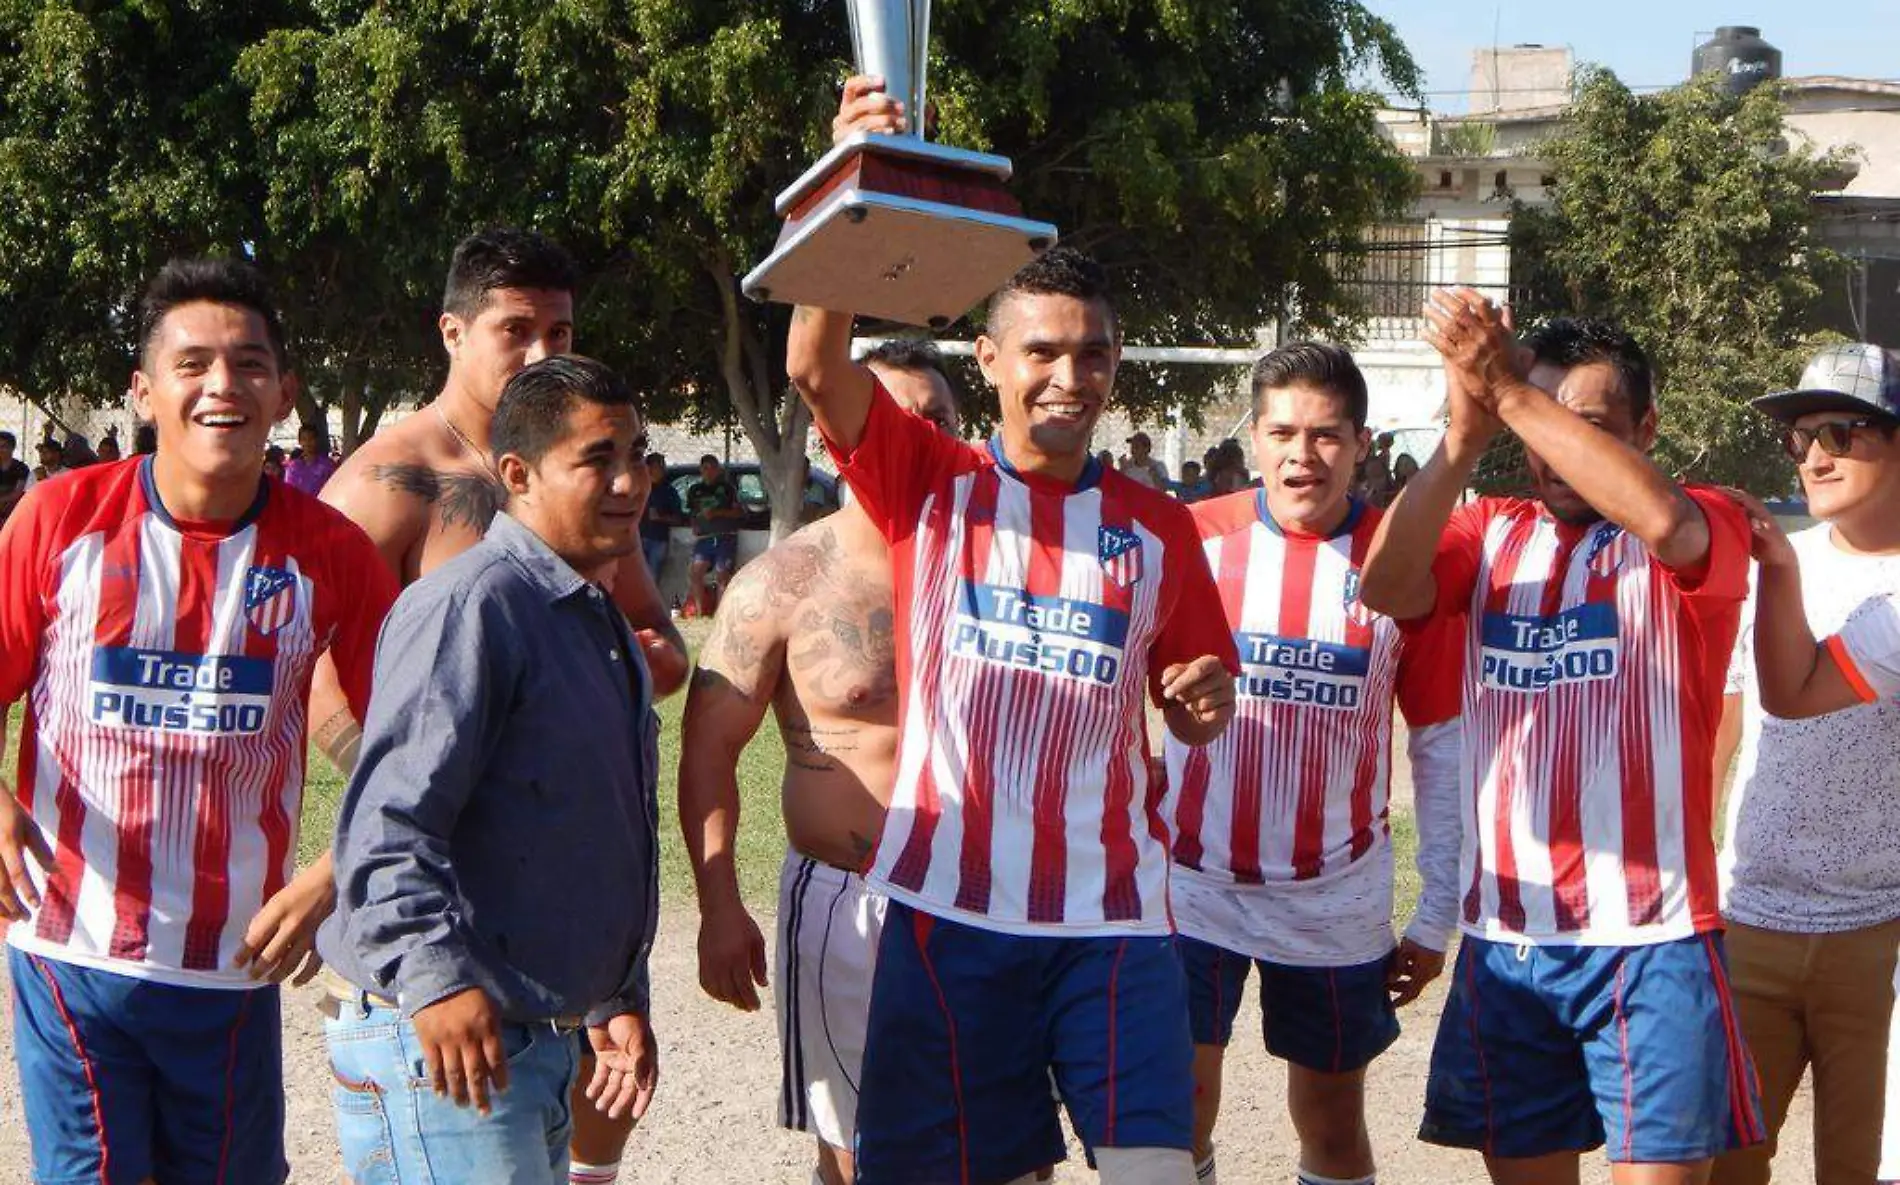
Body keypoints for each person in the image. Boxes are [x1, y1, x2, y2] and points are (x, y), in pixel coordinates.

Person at [782, 75, 1240, 1185]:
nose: (1066, 376)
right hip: (950, 912)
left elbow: (1201, 685)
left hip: (1114, 919)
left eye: (1090, 354)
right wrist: (856, 179)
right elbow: (811, 366)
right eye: (1040, 351)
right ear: (988, 361)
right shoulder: (927, 481)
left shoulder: (1157, 528)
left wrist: (1205, 696)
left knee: (1154, 1170)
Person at [0, 257, 395, 1185]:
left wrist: (335, 872)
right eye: (193, 363)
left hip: (232, 965)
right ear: (144, 391)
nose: (224, 385)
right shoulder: (59, 520)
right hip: (73, 953)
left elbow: (410, 748)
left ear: (285, 393)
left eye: (251, 363)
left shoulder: (332, 551)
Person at [1359, 291, 1765, 1183]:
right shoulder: (1492, 530)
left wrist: (1509, 390)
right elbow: (1387, 586)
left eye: (1582, 423)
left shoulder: (1701, 516)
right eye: (1536, 418)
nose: (1550, 446)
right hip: (1510, 938)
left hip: (1651, 938)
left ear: (1645, 426)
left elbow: (1669, 525)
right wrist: (1465, 436)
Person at [309, 227, 685, 1184]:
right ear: (452, 330)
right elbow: (368, 756)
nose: (541, 352)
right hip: (448, 999)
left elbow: (647, 689)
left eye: (559, 331)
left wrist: (614, 992)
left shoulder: (583, 546)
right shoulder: (401, 501)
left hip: (537, 1013)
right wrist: (420, 942)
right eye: (517, 329)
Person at [1162, 342, 1464, 1185]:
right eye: (1283, 432)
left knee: (1332, 1123)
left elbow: (1440, 741)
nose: (1304, 455)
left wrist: (1437, 909)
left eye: (1327, 435)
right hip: (1191, 885)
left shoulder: (1403, 562)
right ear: (1253, 437)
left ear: (1361, 443)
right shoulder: (1190, 541)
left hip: (1334, 894)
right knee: (1174, 1111)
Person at [680, 338, 959, 1185]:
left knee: (1006, 1133)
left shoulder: (1011, 570)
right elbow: (706, 752)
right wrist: (719, 905)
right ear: (844, 428)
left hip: (988, 896)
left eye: (934, 420)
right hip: (850, 900)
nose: (909, 435)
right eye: (887, 415)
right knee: (855, 1150)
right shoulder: (782, 583)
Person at [1708, 343, 1900, 1185]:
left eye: (1841, 431)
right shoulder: (1772, 568)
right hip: (1752, 916)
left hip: (1882, 935)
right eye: (1798, 435)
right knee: (1722, 1165)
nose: (1814, 454)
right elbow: (1727, 724)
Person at [685, 453, 744, 616]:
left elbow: (739, 513)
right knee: (695, 572)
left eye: (712, 468)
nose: (709, 472)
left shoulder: (727, 488)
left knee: (722, 574)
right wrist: (694, 524)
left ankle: (720, 613)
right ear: (701, 470)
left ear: (718, 470)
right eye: (705, 468)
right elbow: (691, 512)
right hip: (704, 539)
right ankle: (699, 612)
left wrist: (718, 512)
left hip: (725, 536)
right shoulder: (695, 490)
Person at [640, 452, 685, 582]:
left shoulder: (669, 491)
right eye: (659, 465)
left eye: (663, 465)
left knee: (652, 578)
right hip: (637, 540)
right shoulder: (639, 488)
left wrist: (660, 517)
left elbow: (678, 518)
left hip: (658, 540)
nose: (663, 469)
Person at [283, 422, 339, 496]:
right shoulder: (292, 467)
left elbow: (335, 488)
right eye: (304, 439)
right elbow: (288, 491)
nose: (307, 442)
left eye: (311, 438)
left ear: (317, 439)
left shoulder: (328, 465)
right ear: (299, 441)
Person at [0, 431, 31, 521]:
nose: (0, 450)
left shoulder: (21, 468)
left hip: (12, 508)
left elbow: (17, 493)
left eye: (4, 446)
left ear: (12, 448)